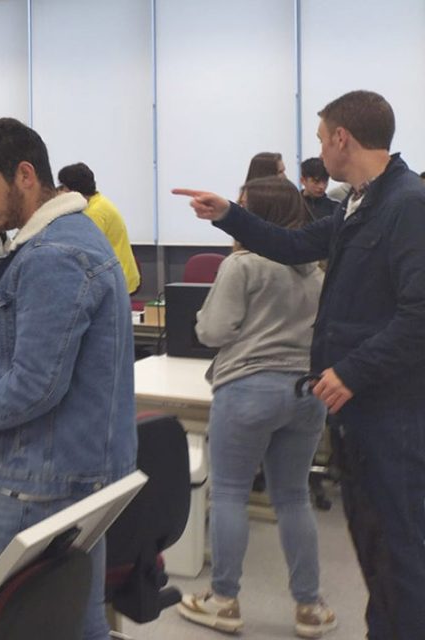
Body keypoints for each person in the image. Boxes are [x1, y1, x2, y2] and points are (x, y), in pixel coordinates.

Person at [174, 90, 425, 640]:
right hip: (352, 409)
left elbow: (419, 314)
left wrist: (351, 370)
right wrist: (229, 215)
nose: (316, 151)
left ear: (342, 139)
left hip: (388, 412)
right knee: (375, 549)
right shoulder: (361, 203)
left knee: (400, 550)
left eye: (320, 138)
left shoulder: (407, 203)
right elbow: (291, 244)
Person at [0, 118, 137, 640]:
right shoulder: (72, 237)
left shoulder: (52, 257)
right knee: (76, 625)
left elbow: (35, 385)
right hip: (70, 473)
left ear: (25, 175)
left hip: (42, 483)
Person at [176, 176, 336, 637]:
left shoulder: (242, 266)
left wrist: (205, 318)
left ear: (256, 213)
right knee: (293, 498)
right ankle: (311, 606)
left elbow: (213, 332)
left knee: (228, 493)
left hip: (248, 388)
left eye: (243, 206)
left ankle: (224, 600)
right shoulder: (317, 269)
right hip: (307, 393)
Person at [57, 163, 141, 294]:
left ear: (74, 190)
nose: (59, 191)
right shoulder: (98, 201)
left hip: (116, 279)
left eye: (63, 187)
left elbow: (82, 250)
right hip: (115, 274)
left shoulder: (94, 213)